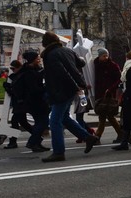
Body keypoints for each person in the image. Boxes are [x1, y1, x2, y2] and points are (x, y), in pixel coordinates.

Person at [40, 31, 100, 162]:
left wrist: (75, 86)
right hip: (69, 90)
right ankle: (88, 137)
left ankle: (58, 152)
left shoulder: (50, 55)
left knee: (54, 121)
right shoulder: (67, 51)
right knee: (65, 118)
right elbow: (81, 63)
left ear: (46, 43)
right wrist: (77, 85)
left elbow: (63, 73)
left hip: (60, 91)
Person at [18, 50, 51, 152]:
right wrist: (45, 87)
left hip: (35, 101)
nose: (39, 59)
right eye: (37, 58)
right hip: (36, 102)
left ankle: (36, 143)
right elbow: (34, 89)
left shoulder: (32, 70)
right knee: (44, 122)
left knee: (39, 123)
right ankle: (32, 142)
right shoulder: (30, 73)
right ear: (32, 60)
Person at [93, 48, 124, 143]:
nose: (105, 57)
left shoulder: (113, 65)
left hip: (109, 94)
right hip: (100, 93)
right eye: (103, 56)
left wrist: (110, 89)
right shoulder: (95, 64)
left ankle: (97, 137)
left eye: (106, 55)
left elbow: (119, 79)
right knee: (106, 116)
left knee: (105, 115)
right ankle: (121, 134)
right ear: (99, 56)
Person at [2, 60, 32, 149]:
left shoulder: (22, 75)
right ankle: (36, 135)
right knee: (23, 122)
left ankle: (13, 141)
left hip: (20, 102)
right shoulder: (16, 75)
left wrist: (8, 89)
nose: (12, 70)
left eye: (13, 68)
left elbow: (17, 90)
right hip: (19, 102)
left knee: (15, 121)